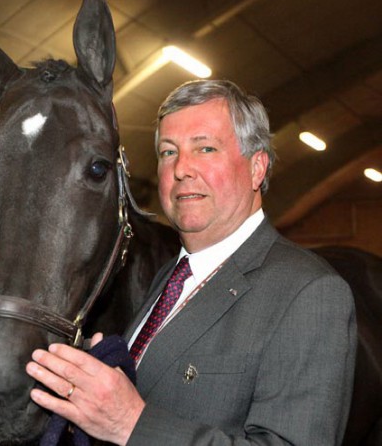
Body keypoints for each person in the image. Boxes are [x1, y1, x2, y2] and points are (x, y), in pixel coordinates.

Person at [26, 79, 357, 445]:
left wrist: (133, 425)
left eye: (205, 148)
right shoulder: (173, 276)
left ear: (256, 169)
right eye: (169, 152)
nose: (182, 168)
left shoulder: (309, 293)